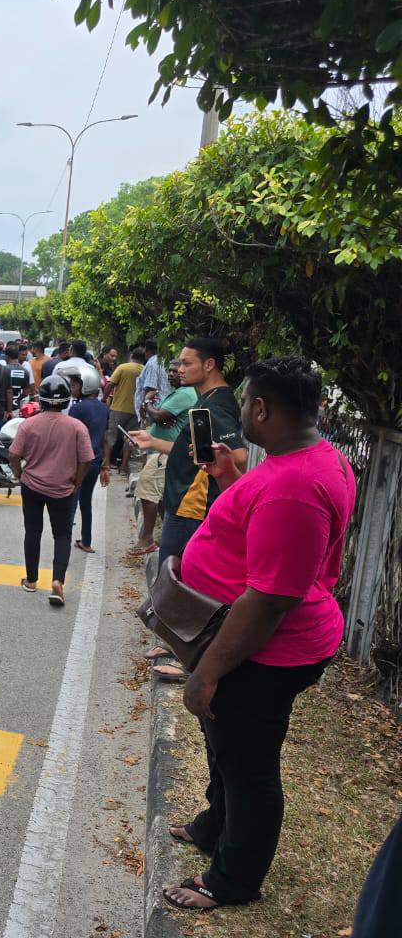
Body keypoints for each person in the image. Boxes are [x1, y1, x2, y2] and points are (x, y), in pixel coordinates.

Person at [162, 356, 355, 911]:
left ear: (263, 408)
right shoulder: (311, 460)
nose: (241, 408)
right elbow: (265, 531)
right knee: (227, 747)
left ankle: (234, 878)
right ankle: (212, 825)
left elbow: (271, 599)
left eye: (246, 401)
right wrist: (230, 480)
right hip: (259, 641)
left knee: (249, 767)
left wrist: (207, 673)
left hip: (266, 651)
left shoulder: (296, 484)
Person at [130, 336, 247, 567]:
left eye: (186, 364)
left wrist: (217, 462)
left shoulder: (215, 406)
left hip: (191, 509)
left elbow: (239, 456)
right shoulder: (207, 398)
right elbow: (193, 450)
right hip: (182, 506)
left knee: (171, 582)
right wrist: (152, 441)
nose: (180, 370)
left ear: (209, 365)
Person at [9, 374, 93, 607]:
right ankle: (57, 581)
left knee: (33, 531)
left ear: (42, 399)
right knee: (62, 534)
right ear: (66, 400)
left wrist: (19, 473)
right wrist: (77, 481)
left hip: (32, 486)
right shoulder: (77, 427)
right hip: (63, 489)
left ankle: (32, 580)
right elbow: (86, 459)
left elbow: (14, 455)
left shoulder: (29, 424)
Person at [129, 359, 196, 558]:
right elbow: (161, 418)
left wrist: (149, 402)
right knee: (161, 495)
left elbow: (159, 416)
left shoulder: (185, 394)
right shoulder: (177, 393)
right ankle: (166, 535)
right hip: (161, 450)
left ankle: (147, 538)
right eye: (171, 370)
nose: (172, 374)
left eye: (177, 371)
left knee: (148, 487)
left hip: (166, 453)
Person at [66, 368, 109, 554]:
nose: (71, 388)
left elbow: (70, 437)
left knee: (71, 501)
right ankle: (86, 541)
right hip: (96, 461)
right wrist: (105, 466)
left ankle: (64, 538)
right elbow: (106, 438)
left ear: (86, 386)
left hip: (78, 462)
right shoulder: (104, 408)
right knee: (86, 502)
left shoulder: (76, 408)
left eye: (74, 385)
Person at [104, 348, 146, 473]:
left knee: (110, 437)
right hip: (135, 411)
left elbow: (110, 384)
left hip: (118, 408)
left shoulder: (123, 367)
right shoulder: (145, 370)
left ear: (132, 355)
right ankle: (123, 467)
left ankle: (106, 464)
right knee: (129, 439)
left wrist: (104, 399)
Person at [136, 338, 170, 416]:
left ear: (145, 349)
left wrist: (143, 406)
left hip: (153, 408)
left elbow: (151, 388)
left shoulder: (153, 363)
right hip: (162, 405)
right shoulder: (164, 361)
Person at [4, 342, 32, 407]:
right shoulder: (25, 372)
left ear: (7, 356)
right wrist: (18, 399)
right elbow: (26, 392)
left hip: (4, 407)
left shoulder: (3, 370)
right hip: (17, 407)